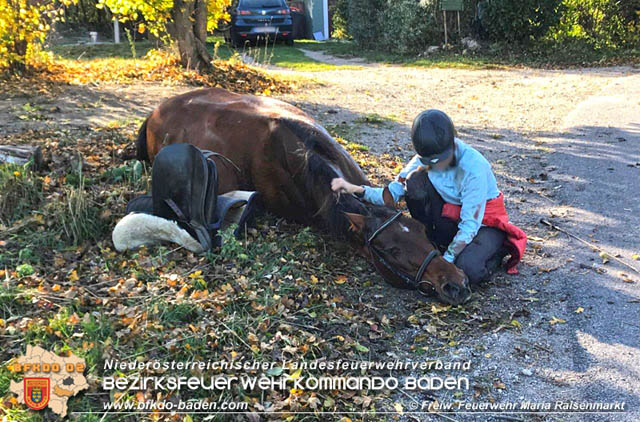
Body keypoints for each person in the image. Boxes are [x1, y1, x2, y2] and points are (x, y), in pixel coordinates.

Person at [331, 109, 526, 284]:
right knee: (414, 182)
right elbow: (393, 192)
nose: (438, 166)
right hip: (449, 216)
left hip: (483, 225)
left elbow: (469, 225)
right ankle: (433, 239)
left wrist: (446, 262)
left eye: (442, 160)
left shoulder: (474, 167)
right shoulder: (423, 159)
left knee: (470, 270)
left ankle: (495, 250)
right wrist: (354, 189)